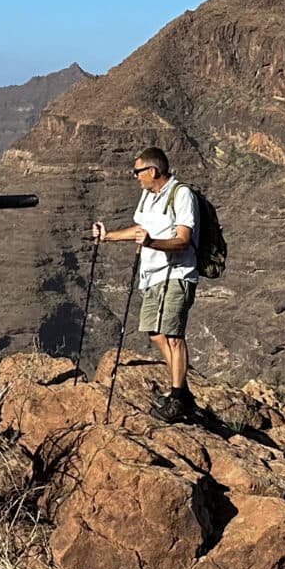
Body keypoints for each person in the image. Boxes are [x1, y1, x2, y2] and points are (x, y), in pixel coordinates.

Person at [90, 146, 200, 421]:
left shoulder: (181, 194)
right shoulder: (147, 197)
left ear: (152, 171)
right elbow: (140, 231)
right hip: (152, 276)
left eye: (138, 171)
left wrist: (153, 244)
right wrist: (109, 236)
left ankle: (177, 398)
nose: (135, 176)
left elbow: (184, 238)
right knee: (155, 332)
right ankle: (183, 393)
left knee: (174, 335)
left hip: (176, 273)